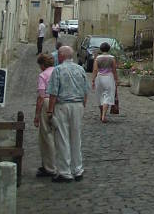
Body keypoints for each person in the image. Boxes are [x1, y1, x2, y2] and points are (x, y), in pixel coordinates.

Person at [46, 45, 89, 182]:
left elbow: (53, 92)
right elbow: (85, 90)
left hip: (62, 105)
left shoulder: (58, 70)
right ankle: (78, 169)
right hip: (78, 105)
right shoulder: (80, 69)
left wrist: (50, 110)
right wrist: (83, 106)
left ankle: (65, 172)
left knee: (62, 137)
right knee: (76, 137)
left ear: (61, 56)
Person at [34, 54, 56, 177]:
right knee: (57, 134)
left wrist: (37, 115)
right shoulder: (58, 72)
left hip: (47, 102)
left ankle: (49, 167)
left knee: (46, 135)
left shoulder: (43, 75)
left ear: (42, 65)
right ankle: (58, 164)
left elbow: (41, 97)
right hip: (59, 102)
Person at [91, 42, 118, 123]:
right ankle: (103, 115)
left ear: (101, 49)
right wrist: (116, 79)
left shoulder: (97, 58)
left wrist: (93, 80)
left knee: (100, 96)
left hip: (99, 78)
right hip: (109, 77)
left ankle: (101, 113)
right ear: (109, 49)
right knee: (108, 95)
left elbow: (95, 70)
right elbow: (114, 70)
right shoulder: (112, 58)